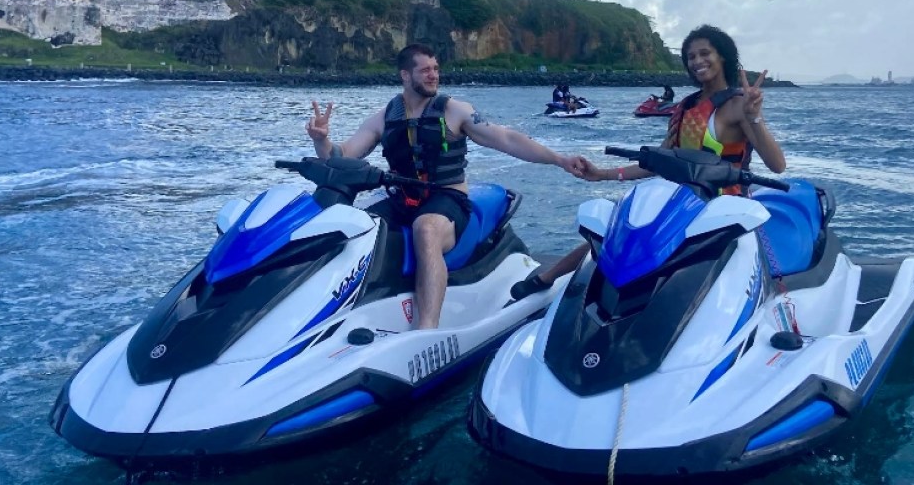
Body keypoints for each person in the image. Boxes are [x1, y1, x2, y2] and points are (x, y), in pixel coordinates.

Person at [307, 43, 587, 329]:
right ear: (405, 75)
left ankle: (427, 328)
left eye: (436, 69)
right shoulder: (384, 117)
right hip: (402, 199)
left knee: (426, 229)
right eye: (425, 70)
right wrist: (321, 140)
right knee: (353, 226)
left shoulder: (455, 111)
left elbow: (507, 139)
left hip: (447, 199)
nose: (434, 75)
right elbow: (341, 156)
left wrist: (560, 160)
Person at [510, 24, 786, 300]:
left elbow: (777, 165)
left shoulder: (738, 105)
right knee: (617, 237)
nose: (697, 61)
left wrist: (754, 117)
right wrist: (602, 174)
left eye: (705, 53)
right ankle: (548, 278)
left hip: (724, 209)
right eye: (691, 56)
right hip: (682, 204)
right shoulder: (686, 107)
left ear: (723, 56)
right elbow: (657, 161)